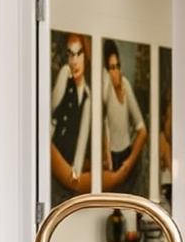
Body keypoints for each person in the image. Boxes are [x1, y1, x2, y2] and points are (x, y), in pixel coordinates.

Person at [101, 39, 146, 192]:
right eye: (112, 68)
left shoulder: (125, 84)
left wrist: (129, 162)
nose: (117, 72)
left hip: (127, 154)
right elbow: (102, 124)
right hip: (113, 157)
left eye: (118, 66)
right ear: (107, 71)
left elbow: (142, 129)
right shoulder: (106, 89)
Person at [50, 33, 91, 200]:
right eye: (70, 54)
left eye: (78, 54)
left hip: (67, 175)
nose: (74, 61)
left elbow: (81, 143)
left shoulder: (88, 98)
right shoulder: (64, 75)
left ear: (85, 57)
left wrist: (75, 175)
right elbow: (50, 113)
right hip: (52, 165)